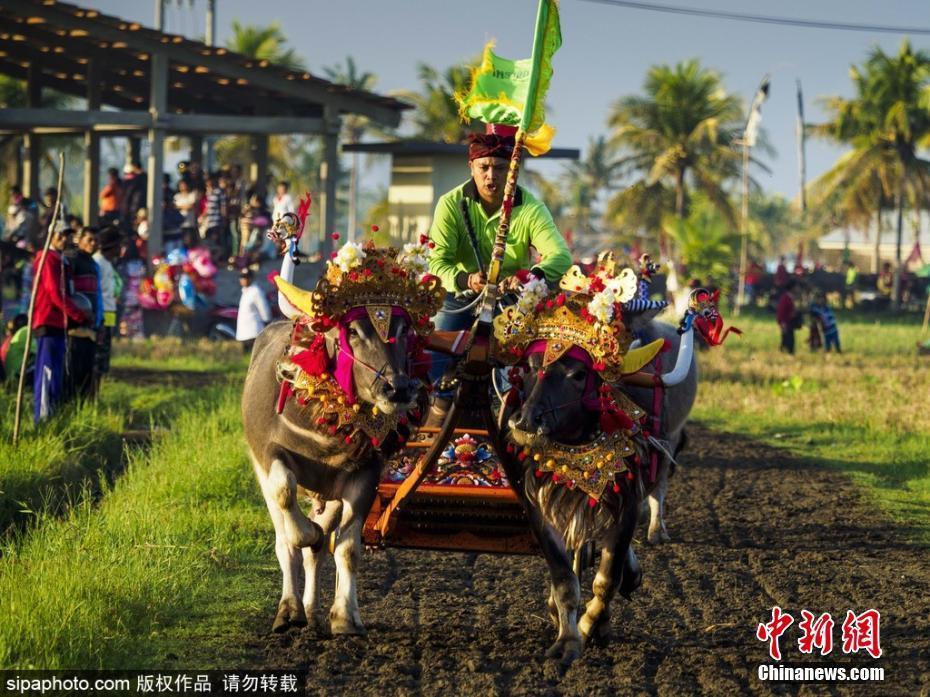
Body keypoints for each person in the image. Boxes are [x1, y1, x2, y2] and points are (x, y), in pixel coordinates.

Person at [427, 123, 572, 382]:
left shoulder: (532, 209)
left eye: (500, 168)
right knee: (433, 359)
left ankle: (511, 403)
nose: (491, 176)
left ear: (513, 171)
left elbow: (560, 255)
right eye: (484, 167)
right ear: (471, 167)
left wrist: (528, 277)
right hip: (461, 298)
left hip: (512, 301)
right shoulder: (450, 204)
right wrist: (467, 280)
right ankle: (427, 403)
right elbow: (437, 262)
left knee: (520, 371)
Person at [31, 225, 88, 423]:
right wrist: (76, 314)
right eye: (60, 235)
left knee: (56, 373)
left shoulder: (61, 260)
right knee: (47, 373)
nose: (64, 239)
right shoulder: (47, 258)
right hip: (48, 321)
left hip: (59, 324)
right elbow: (55, 293)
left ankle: (51, 417)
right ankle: (42, 420)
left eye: (67, 235)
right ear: (50, 236)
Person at [64, 227, 102, 401]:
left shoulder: (93, 263)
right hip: (75, 324)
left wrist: (98, 320)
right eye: (89, 239)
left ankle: (83, 408)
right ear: (80, 240)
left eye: (95, 240)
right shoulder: (73, 260)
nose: (93, 243)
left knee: (87, 370)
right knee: (73, 369)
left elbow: (97, 295)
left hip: (90, 324)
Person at [93, 226, 122, 391]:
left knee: (104, 360)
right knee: (97, 360)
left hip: (109, 314)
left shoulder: (107, 263)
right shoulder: (98, 262)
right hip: (102, 315)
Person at [235, 268, 271, 354]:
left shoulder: (256, 291)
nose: (244, 279)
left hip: (254, 332)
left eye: (247, 277)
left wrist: (267, 323)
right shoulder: (245, 292)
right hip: (244, 333)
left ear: (252, 278)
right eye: (242, 277)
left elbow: (264, 310)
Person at [1, 313, 32, 384]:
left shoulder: (15, 336)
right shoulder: (26, 331)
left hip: (11, 376)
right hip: (17, 376)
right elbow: (37, 351)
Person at [776, 281, 800, 355]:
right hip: (785, 322)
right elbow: (781, 311)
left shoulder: (790, 297)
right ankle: (787, 353)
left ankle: (787, 353)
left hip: (789, 322)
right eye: (796, 287)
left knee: (788, 338)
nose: (798, 288)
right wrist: (782, 322)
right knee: (787, 339)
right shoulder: (785, 298)